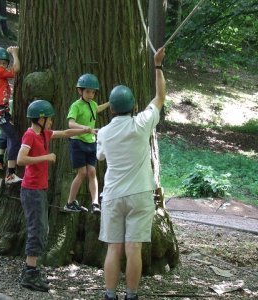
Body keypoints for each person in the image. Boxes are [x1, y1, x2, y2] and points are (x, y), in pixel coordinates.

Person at [96, 47, 166, 300]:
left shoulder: (103, 132)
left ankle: (110, 295)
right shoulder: (142, 123)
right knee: (133, 248)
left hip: (113, 195)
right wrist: (157, 66)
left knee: (113, 248)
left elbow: (100, 156)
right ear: (134, 105)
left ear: (111, 109)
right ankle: (132, 295)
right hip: (139, 195)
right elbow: (160, 97)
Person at [17, 100, 93, 292]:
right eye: (49, 119)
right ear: (40, 118)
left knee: (42, 229)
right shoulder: (30, 135)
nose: (52, 122)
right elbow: (20, 159)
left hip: (39, 190)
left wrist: (86, 130)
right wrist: (46, 157)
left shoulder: (44, 134)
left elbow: (66, 133)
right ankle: (29, 273)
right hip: (31, 191)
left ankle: (31, 271)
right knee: (37, 229)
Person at [64, 73, 109, 213]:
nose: (90, 94)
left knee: (92, 172)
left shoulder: (93, 104)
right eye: (88, 91)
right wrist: (85, 129)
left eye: (93, 92)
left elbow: (98, 108)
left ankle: (95, 203)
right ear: (80, 91)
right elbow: (70, 124)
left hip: (91, 143)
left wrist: (110, 103)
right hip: (77, 142)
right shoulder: (76, 105)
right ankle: (70, 202)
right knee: (82, 172)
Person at [0, 46, 22, 184]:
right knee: (14, 137)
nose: (1, 65)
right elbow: (16, 70)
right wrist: (14, 54)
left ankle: (0, 161)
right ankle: (11, 174)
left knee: (5, 134)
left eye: (4, 63)